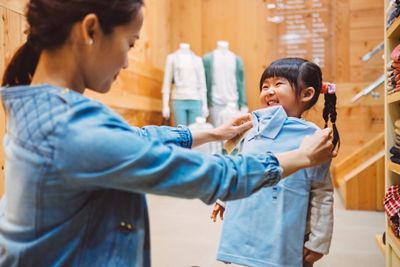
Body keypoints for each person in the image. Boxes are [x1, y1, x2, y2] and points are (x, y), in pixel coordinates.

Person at [0, 1, 334, 266]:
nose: (128, 62)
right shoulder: (69, 128)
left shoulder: (47, 107)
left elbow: (134, 140)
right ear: (89, 30)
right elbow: (215, 175)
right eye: (130, 43)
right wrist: (301, 156)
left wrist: (209, 133)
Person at [211, 58, 339, 267]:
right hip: (250, 222)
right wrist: (224, 198)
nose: (269, 91)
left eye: (278, 84)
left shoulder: (315, 137)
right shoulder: (251, 130)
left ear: (306, 94)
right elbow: (240, 169)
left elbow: (322, 191)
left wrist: (319, 240)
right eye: (265, 86)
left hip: (289, 229)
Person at [161, 43, 208, 126]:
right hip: (179, 99)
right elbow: (166, 83)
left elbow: (202, 84)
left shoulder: (197, 60)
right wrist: (165, 106)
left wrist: (205, 105)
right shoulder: (172, 58)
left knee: (195, 132)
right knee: (180, 131)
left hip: (195, 100)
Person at [203, 41, 248, 127]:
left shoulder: (236, 59)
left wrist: (243, 103)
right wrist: (204, 104)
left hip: (233, 102)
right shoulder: (208, 59)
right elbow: (203, 82)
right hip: (215, 102)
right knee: (216, 132)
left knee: (234, 132)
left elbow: (241, 83)